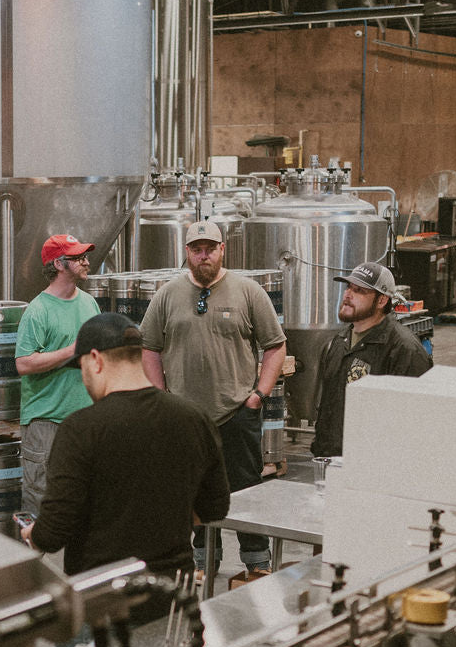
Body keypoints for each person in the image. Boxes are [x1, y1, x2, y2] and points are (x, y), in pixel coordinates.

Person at [23, 313, 229, 582]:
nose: (84, 380)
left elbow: (52, 533)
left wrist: (33, 535)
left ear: (95, 360)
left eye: (82, 368)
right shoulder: (194, 417)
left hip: (104, 597)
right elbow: (215, 508)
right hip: (174, 596)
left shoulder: (81, 428)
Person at [140, 220, 286, 580]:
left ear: (223, 250)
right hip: (186, 416)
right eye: (196, 249)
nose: (203, 256)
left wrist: (259, 395)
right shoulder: (167, 295)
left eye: (210, 248)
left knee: (247, 487)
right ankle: (204, 557)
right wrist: (161, 397)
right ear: (186, 253)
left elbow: (275, 345)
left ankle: (256, 559)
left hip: (237, 411)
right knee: (194, 488)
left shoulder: (248, 292)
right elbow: (149, 348)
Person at [15, 233, 100, 514]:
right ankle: (38, 557)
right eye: (79, 258)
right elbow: (24, 363)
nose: (87, 262)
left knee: (85, 499)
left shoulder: (89, 304)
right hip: (46, 422)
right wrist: (72, 350)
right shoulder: (38, 311)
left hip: (84, 418)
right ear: (59, 264)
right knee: (43, 501)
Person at [312, 262, 431, 458]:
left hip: (373, 463)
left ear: (382, 300)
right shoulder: (339, 342)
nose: (347, 295)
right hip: (331, 459)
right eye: (348, 287)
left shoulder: (403, 349)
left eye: (359, 291)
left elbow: (414, 421)